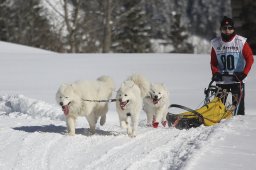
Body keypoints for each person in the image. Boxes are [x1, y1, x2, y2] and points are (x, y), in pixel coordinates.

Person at [210, 16, 254, 115]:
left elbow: (250, 59)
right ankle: (216, 126)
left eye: (230, 28)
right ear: (221, 29)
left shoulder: (241, 42)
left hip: (237, 79)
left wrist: (244, 73)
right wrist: (215, 73)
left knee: (238, 109)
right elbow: (213, 62)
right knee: (217, 108)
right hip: (222, 79)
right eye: (224, 28)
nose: (227, 30)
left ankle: (237, 127)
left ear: (233, 29)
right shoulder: (216, 43)